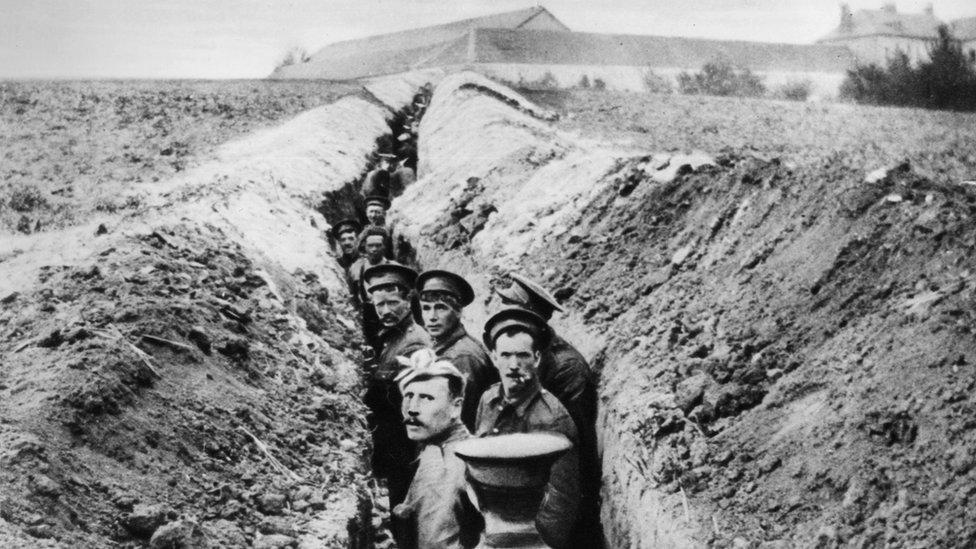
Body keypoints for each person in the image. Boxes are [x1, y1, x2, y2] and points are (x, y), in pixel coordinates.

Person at [493, 273, 603, 547]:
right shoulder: (524, 353)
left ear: (530, 317)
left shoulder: (567, 369)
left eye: (510, 308)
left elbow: (568, 450)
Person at [475, 308, 579, 549]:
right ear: (493, 357)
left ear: (537, 358)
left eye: (522, 355)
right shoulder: (488, 400)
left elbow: (560, 507)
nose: (513, 365)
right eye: (506, 355)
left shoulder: (552, 420)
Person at [361, 263, 432, 547]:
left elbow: (413, 405)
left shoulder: (415, 344)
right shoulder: (392, 335)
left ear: (408, 301)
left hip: (406, 447)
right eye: (379, 305)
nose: (386, 311)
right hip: (395, 444)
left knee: (406, 513)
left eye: (392, 303)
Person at [392, 350, 484, 549]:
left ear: (456, 407)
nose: (412, 408)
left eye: (426, 398)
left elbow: (434, 544)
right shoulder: (446, 445)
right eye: (408, 396)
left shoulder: (442, 466)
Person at [416, 269, 497, 430]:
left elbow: (459, 422)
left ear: (458, 311)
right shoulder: (446, 345)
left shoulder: (462, 358)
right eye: (426, 308)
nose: (432, 316)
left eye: (441, 308)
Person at [348, 226, 391, 347]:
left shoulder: (394, 269)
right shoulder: (356, 268)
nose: (374, 249)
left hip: (389, 311)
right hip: (368, 313)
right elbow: (353, 293)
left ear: (384, 247)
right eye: (370, 245)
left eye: (378, 245)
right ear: (364, 247)